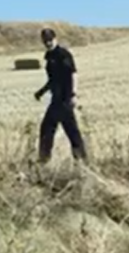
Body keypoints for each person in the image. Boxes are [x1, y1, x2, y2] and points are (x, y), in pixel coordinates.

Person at [33, 27, 88, 164]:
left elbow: (73, 74)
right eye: (45, 41)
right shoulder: (49, 57)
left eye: (50, 40)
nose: (48, 43)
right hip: (56, 100)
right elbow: (53, 80)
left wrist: (73, 94)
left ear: (55, 39)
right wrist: (42, 91)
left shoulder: (63, 54)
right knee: (47, 129)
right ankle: (44, 160)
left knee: (70, 130)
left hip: (65, 99)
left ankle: (81, 160)